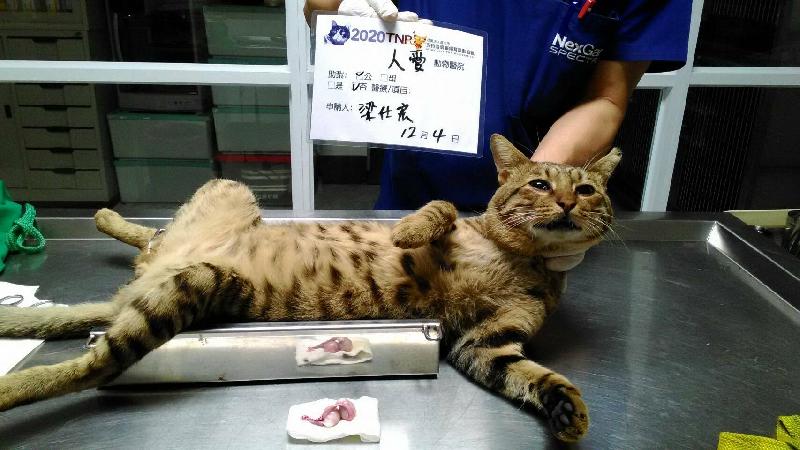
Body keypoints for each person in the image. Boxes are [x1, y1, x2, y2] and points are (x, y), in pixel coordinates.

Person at [304, 0, 691, 270]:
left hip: (540, 228)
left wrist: (533, 194)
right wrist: (339, 14)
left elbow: (606, 97)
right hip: (411, 204)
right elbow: (320, 5)